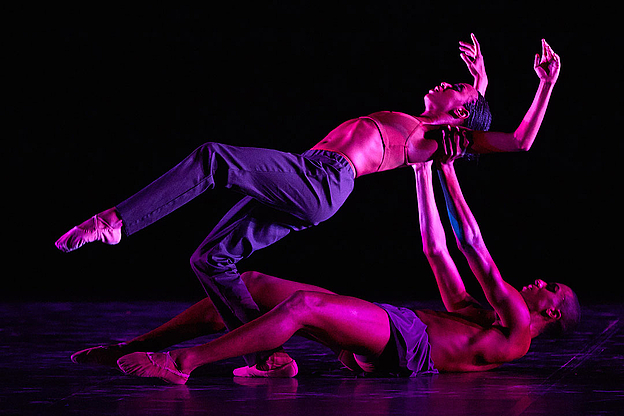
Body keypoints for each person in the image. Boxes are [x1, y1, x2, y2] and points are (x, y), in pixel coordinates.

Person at [56, 36, 560, 373]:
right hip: (309, 172)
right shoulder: (425, 126)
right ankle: (272, 358)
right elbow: (467, 117)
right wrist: (480, 84)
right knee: (211, 259)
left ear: (460, 116)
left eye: (454, 89)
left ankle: (116, 222)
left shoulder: (433, 139)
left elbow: (516, 140)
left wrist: (543, 85)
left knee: (214, 159)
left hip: (321, 181)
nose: (442, 84)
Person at [72, 127, 579, 384]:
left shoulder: (516, 333)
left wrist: (450, 172)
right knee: (244, 283)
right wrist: (425, 173)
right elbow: (436, 247)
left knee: (302, 308)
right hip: (392, 328)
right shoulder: (479, 317)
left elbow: (474, 248)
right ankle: (128, 347)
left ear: (551, 312)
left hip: (407, 348)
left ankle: (182, 362)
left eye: (549, 287)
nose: (538, 282)